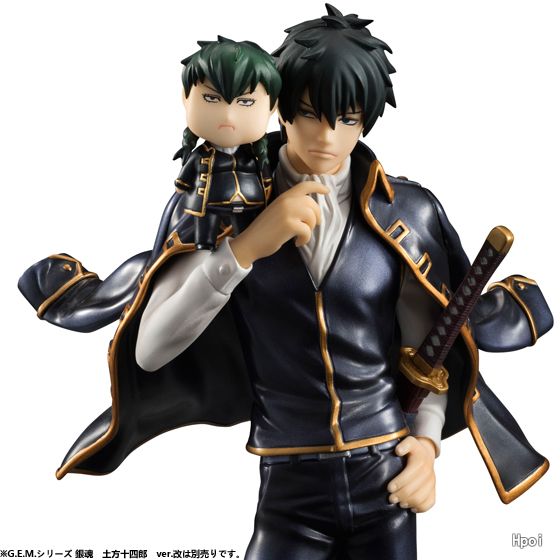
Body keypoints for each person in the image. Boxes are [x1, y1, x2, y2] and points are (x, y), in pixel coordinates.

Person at [17, 4, 552, 560]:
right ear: (279, 107)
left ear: (366, 120)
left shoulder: (405, 211)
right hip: (288, 485)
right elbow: (150, 350)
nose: (326, 136)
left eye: (347, 119)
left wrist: (426, 445)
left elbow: (429, 351)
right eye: (309, 113)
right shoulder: (219, 207)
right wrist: (244, 249)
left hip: (386, 474)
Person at [173, 37, 281, 250]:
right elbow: (184, 180)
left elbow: (266, 177)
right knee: (204, 238)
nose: (228, 116)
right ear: (186, 97)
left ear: (272, 107)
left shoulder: (256, 154)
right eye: (212, 99)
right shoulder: (201, 155)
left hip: (249, 204)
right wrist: (182, 185)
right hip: (208, 206)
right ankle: (204, 245)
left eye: (246, 102)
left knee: (249, 238)